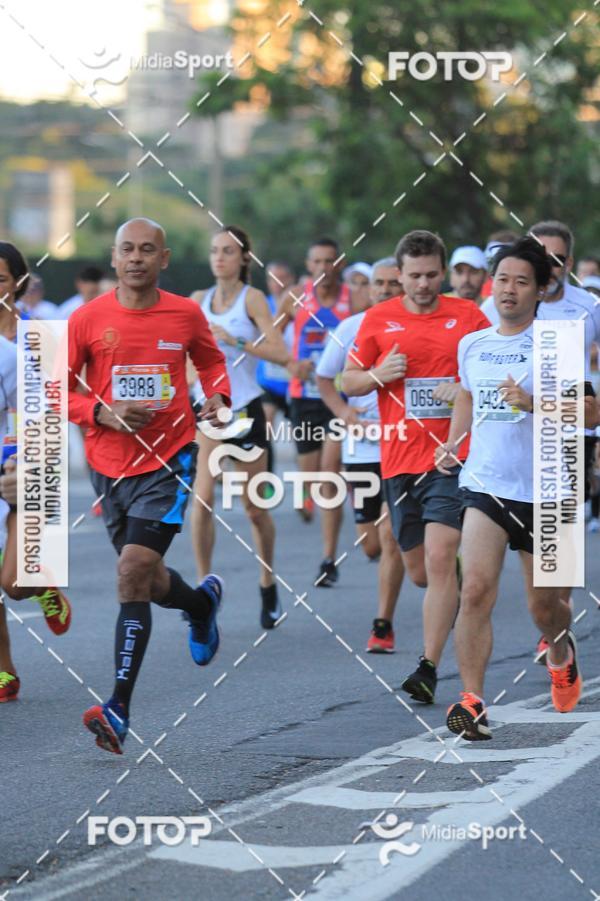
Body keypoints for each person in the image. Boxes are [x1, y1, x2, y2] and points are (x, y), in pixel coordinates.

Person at [68, 218, 232, 754]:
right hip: (107, 465)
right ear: (114, 259)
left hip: (169, 460)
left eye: (147, 250)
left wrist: (219, 397)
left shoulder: (185, 313)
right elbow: (58, 392)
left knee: (131, 571)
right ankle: (202, 606)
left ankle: (117, 707)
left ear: (163, 259)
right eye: (126, 250)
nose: (136, 258)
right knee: (147, 579)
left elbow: (210, 361)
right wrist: (101, 412)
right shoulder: (87, 319)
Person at [437, 237, 583, 740]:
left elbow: (590, 412)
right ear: (489, 284)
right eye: (502, 280)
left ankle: (561, 652)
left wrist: (534, 402)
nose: (509, 290)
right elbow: (468, 398)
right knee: (474, 589)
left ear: (542, 289)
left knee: (545, 608)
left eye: (522, 282)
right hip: (486, 483)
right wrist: (455, 442)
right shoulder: (473, 343)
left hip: (552, 488)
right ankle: (472, 701)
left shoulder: (559, 342)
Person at [343, 230, 489, 703]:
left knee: (439, 557)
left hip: (451, 456)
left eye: (431, 275)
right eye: (414, 276)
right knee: (422, 572)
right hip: (398, 459)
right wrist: (376, 376)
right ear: (399, 275)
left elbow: (492, 374)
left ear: (441, 273)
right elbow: (348, 381)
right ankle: (461, 581)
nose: (423, 284)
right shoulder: (377, 319)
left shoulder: (468, 316)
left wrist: (463, 387)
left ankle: (427, 667)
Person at [189, 227, 290, 630]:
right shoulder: (197, 301)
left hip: (246, 408)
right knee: (203, 498)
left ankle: (267, 582)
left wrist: (235, 341)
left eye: (228, 252)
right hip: (210, 409)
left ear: (244, 258)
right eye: (214, 251)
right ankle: (203, 591)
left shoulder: (253, 300)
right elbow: (183, 356)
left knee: (254, 508)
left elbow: (281, 352)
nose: (219, 258)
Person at [316, 257, 404, 652]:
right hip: (361, 447)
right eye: (377, 283)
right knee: (370, 542)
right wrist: (343, 412)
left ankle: (382, 625)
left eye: (391, 283)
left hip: (403, 446)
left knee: (390, 536)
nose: (384, 290)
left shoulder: (413, 328)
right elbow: (323, 377)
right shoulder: (350, 328)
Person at [278, 238, 352, 584]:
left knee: (330, 472)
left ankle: (328, 557)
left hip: (338, 398)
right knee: (311, 474)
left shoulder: (354, 299)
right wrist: (291, 362)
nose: (324, 267)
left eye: (330, 261)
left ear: (338, 265)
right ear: (309, 266)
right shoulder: (294, 297)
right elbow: (269, 336)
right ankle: (303, 493)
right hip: (303, 397)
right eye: (317, 261)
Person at [255, 261, 295, 478]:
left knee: (304, 436)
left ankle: (306, 487)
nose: (278, 284)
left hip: (295, 383)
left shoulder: (300, 306)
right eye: (273, 279)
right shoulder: (261, 307)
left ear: (291, 280)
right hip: (268, 381)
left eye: (283, 279)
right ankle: (267, 479)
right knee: (265, 427)